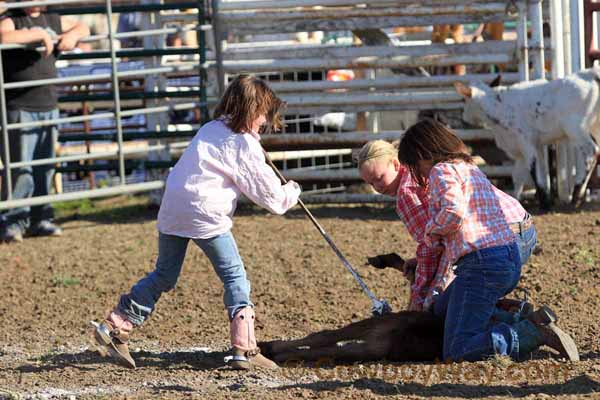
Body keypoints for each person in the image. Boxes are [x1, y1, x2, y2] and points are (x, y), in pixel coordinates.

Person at [92, 75, 301, 370]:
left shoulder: (210, 129)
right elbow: (271, 198)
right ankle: (245, 350)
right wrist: (291, 191)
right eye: (264, 113)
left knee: (164, 274)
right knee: (234, 277)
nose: (265, 120)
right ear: (253, 110)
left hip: (174, 207)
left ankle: (116, 325)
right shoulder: (243, 144)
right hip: (205, 214)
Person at [397, 118, 578, 362]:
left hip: (482, 265)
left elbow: (453, 213)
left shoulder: (441, 170)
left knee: (457, 349)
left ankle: (529, 332)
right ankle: (520, 319)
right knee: (441, 309)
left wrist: (432, 231)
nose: (419, 174)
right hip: (506, 257)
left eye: (416, 165)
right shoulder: (469, 167)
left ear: (423, 153)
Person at [357, 139, 536, 315]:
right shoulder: (419, 170)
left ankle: (518, 325)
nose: (377, 187)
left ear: (395, 164)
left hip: (496, 243)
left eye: (379, 178)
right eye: (371, 183)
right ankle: (513, 314)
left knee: (442, 310)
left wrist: (419, 298)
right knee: (465, 296)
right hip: (520, 229)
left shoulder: (407, 194)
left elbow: (433, 249)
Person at [0, 4, 90, 242]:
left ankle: (41, 218)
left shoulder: (53, 18)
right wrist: (39, 34)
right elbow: (3, 35)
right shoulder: (12, 18)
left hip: (47, 104)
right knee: (20, 168)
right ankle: (13, 221)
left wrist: (72, 35)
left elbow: (83, 27)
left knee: (45, 165)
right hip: (20, 106)